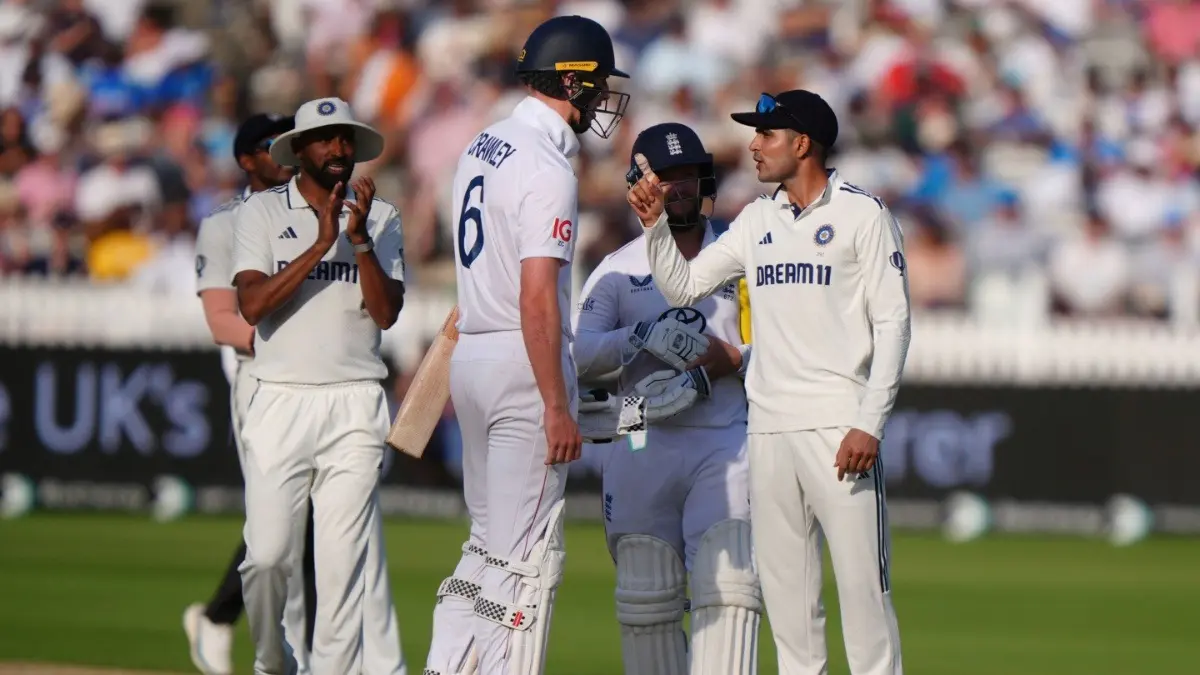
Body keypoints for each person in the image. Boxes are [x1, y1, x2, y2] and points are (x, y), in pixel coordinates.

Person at [627, 90, 910, 675]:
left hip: (839, 428)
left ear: (802, 143)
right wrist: (655, 227)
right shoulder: (757, 219)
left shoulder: (864, 214)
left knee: (864, 600)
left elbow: (895, 324)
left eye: (766, 135)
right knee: (789, 608)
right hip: (769, 431)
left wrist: (869, 423)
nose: (753, 146)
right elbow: (683, 288)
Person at [423, 14, 630, 675]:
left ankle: (446, 665)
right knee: (524, 564)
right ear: (571, 81)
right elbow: (538, 296)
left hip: (475, 356)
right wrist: (555, 404)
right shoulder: (546, 166)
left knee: (484, 549)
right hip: (521, 362)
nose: (601, 101)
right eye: (596, 86)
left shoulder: (485, 142)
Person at [572, 122, 763, 675]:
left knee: (730, 589)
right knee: (645, 589)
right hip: (638, 430)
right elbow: (580, 356)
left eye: (688, 177)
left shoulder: (738, 258)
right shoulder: (618, 269)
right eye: (666, 178)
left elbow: (778, 345)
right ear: (639, 183)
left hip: (724, 435)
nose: (678, 189)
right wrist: (638, 339)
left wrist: (735, 361)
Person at [231, 97, 408, 675]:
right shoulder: (259, 214)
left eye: (345, 139)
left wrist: (356, 240)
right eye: (325, 139)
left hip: (355, 403)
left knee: (342, 572)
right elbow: (253, 305)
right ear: (299, 150)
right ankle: (270, 660)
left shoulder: (380, 217)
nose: (338, 149)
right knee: (266, 560)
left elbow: (386, 314)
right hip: (279, 399)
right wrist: (319, 242)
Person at [184, 113, 318, 675]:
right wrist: (282, 348)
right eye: (270, 145)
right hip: (258, 377)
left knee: (312, 519)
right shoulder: (226, 222)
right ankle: (237, 627)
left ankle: (230, 622)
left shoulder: (313, 211)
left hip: (318, 377)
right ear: (245, 159)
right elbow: (223, 321)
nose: (284, 153)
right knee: (281, 518)